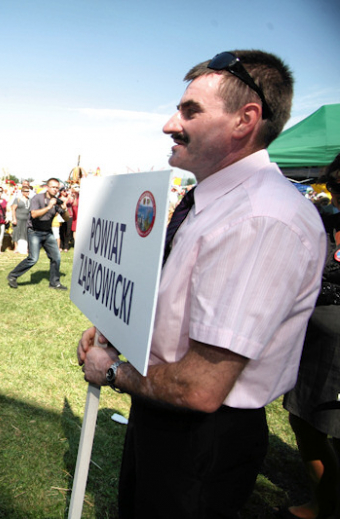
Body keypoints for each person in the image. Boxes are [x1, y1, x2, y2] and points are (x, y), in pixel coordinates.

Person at [77, 50, 326, 518]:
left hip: (199, 441)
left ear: (244, 120)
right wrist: (114, 329)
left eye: (191, 110)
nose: (171, 124)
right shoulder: (214, 201)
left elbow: (199, 387)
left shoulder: (259, 218)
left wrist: (111, 371)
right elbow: (180, 301)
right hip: (163, 412)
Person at [279, 153, 340, 519]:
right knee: (305, 419)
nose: (334, 194)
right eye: (332, 185)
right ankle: (324, 504)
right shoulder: (325, 220)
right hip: (315, 344)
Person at [6, 178, 70, 290]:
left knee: (56, 257)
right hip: (34, 231)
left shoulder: (56, 201)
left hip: (48, 232)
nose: (55, 190)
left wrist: (64, 209)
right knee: (33, 258)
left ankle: (54, 283)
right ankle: (12, 276)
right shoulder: (37, 198)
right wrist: (49, 207)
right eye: (53, 187)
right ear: (47, 187)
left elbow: (66, 218)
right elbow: (34, 214)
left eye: (57, 188)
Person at [10, 185, 30, 254]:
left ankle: (26, 248)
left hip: (27, 219)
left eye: (28, 191)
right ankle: (16, 248)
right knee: (16, 233)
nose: (27, 193)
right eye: (26, 191)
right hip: (18, 218)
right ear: (22, 192)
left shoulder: (29, 200)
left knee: (26, 233)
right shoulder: (17, 199)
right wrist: (14, 218)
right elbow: (13, 209)